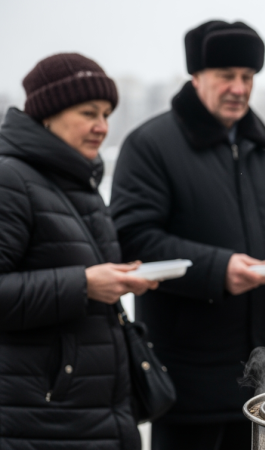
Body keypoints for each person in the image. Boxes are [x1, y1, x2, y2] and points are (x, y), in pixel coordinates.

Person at [110, 21, 265, 450]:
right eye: (226, 75)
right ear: (196, 76)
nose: (239, 88)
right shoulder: (150, 145)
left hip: (262, 375)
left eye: (247, 77)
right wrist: (216, 269)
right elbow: (131, 238)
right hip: (187, 378)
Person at [0, 53, 158, 449]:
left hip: (93, 412)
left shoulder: (77, 180)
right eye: (89, 113)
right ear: (47, 114)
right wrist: (84, 285)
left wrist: (114, 279)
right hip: (40, 420)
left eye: (107, 114)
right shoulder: (11, 179)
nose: (102, 127)